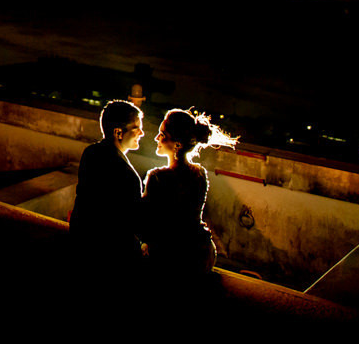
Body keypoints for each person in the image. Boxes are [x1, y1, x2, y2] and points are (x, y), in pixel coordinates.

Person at [141, 108, 238, 279]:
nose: (157, 138)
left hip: (173, 258)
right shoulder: (199, 174)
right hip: (201, 254)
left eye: (162, 135)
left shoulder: (158, 178)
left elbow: (145, 224)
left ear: (177, 144)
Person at [69, 99, 146, 271]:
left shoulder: (90, 153)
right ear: (118, 133)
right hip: (112, 260)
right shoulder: (127, 175)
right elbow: (134, 225)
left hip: (80, 247)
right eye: (136, 128)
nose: (141, 133)